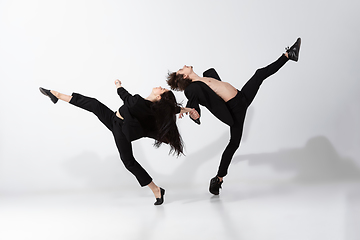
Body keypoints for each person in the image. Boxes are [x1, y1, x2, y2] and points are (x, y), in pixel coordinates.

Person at [167, 38, 301, 195]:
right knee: (234, 143)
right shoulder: (192, 89)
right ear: (184, 77)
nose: (183, 66)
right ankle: (218, 178)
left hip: (242, 97)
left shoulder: (205, 76)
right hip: (235, 109)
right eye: (181, 69)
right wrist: (193, 113)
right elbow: (193, 103)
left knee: (259, 75)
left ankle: (288, 55)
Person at [39, 80, 195, 205]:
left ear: (159, 97)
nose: (160, 86)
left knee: (128, 162)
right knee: (93, 104)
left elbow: (125, 96)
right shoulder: (148, 104)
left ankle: (156, 190)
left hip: (121, 130)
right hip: (113, 119)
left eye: (162, 89)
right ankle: (56, 94)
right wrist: (189, 110)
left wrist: (118, 85)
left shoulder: (138, 103)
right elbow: (173, 109)